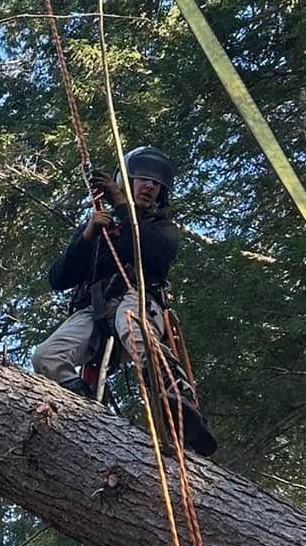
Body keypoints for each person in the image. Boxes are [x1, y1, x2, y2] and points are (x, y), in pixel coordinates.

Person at [31, 145, 217, 453]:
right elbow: (59, 279)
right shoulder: (103, 228)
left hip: (137, 297)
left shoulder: (161, 228)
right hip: (95, 307)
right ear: (125, 179)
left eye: (156, 183)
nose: (149, 186)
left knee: (132, 323)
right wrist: (87, 235)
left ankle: (173, 390)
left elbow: (151, 253)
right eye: (141, 178)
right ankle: (82, 405)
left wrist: (120, 202)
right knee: (46, 357)